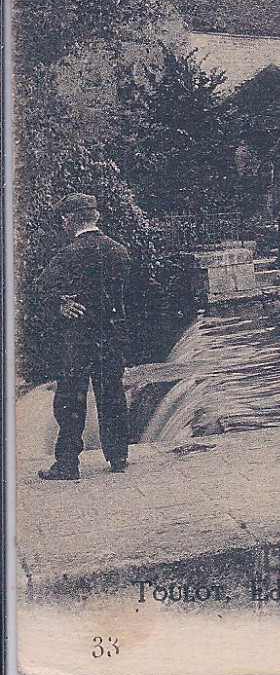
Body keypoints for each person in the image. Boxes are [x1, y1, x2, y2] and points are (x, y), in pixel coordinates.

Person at [37, 193, 135, 480]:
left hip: (77, 336)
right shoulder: (118, 251)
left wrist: (60, 304)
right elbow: (134, 292)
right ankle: (117, 456)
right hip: (109, 334)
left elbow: (40, 287)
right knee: (112, 394)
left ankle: (68, 463)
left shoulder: (67, 255)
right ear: (96, 217)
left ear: (69, 219)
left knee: (70, 398)